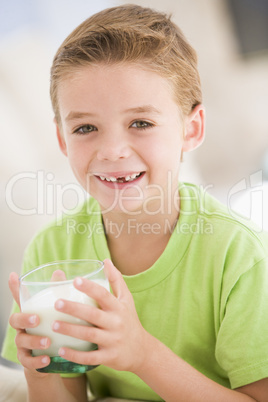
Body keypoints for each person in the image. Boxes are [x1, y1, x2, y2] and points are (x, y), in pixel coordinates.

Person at [2, 4, 268, 401]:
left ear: (190, 130)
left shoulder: (239, 254)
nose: (111, 150)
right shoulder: (53, 252)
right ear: (62, 140)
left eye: (140, 123)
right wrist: (40, 373)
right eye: (85, 128)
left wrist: (142, 354)